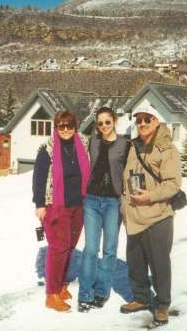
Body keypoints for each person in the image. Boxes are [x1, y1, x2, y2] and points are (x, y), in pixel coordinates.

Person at [120, 102, 182, 327]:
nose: (143, 124)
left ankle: (163, 304)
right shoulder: (133, 145)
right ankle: (141, 298)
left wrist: (149, 196)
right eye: (139, 120)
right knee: (135, 261)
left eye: (148, 119)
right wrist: (123, 205)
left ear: (157, 122)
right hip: (134, 214)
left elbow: (173, 185)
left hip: (158, 215)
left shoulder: (167, 149)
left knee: (159, 263)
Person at [32, 110, 90, 312]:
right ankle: (52, 294)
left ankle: (62, 284)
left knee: (69, 246)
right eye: (61, 126)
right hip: (55, 205)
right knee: (58, 248)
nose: (65, 129)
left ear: (76, 126)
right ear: (55, 127)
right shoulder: (46, 149)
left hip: (78, 204)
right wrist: (39, 205)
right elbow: (38, 180)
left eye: (69, 125)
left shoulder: (83, 143)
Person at [78, 106, 130, 312]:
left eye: (107, 122)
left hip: (112, 202)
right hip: (91, 200)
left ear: (114, 121)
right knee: (90, 249)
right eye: (99, 123)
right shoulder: (92, 141)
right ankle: (85, 294)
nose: (103, 126)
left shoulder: (125, 144)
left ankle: (101, 291)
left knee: (109, 249)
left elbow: (132, 170)